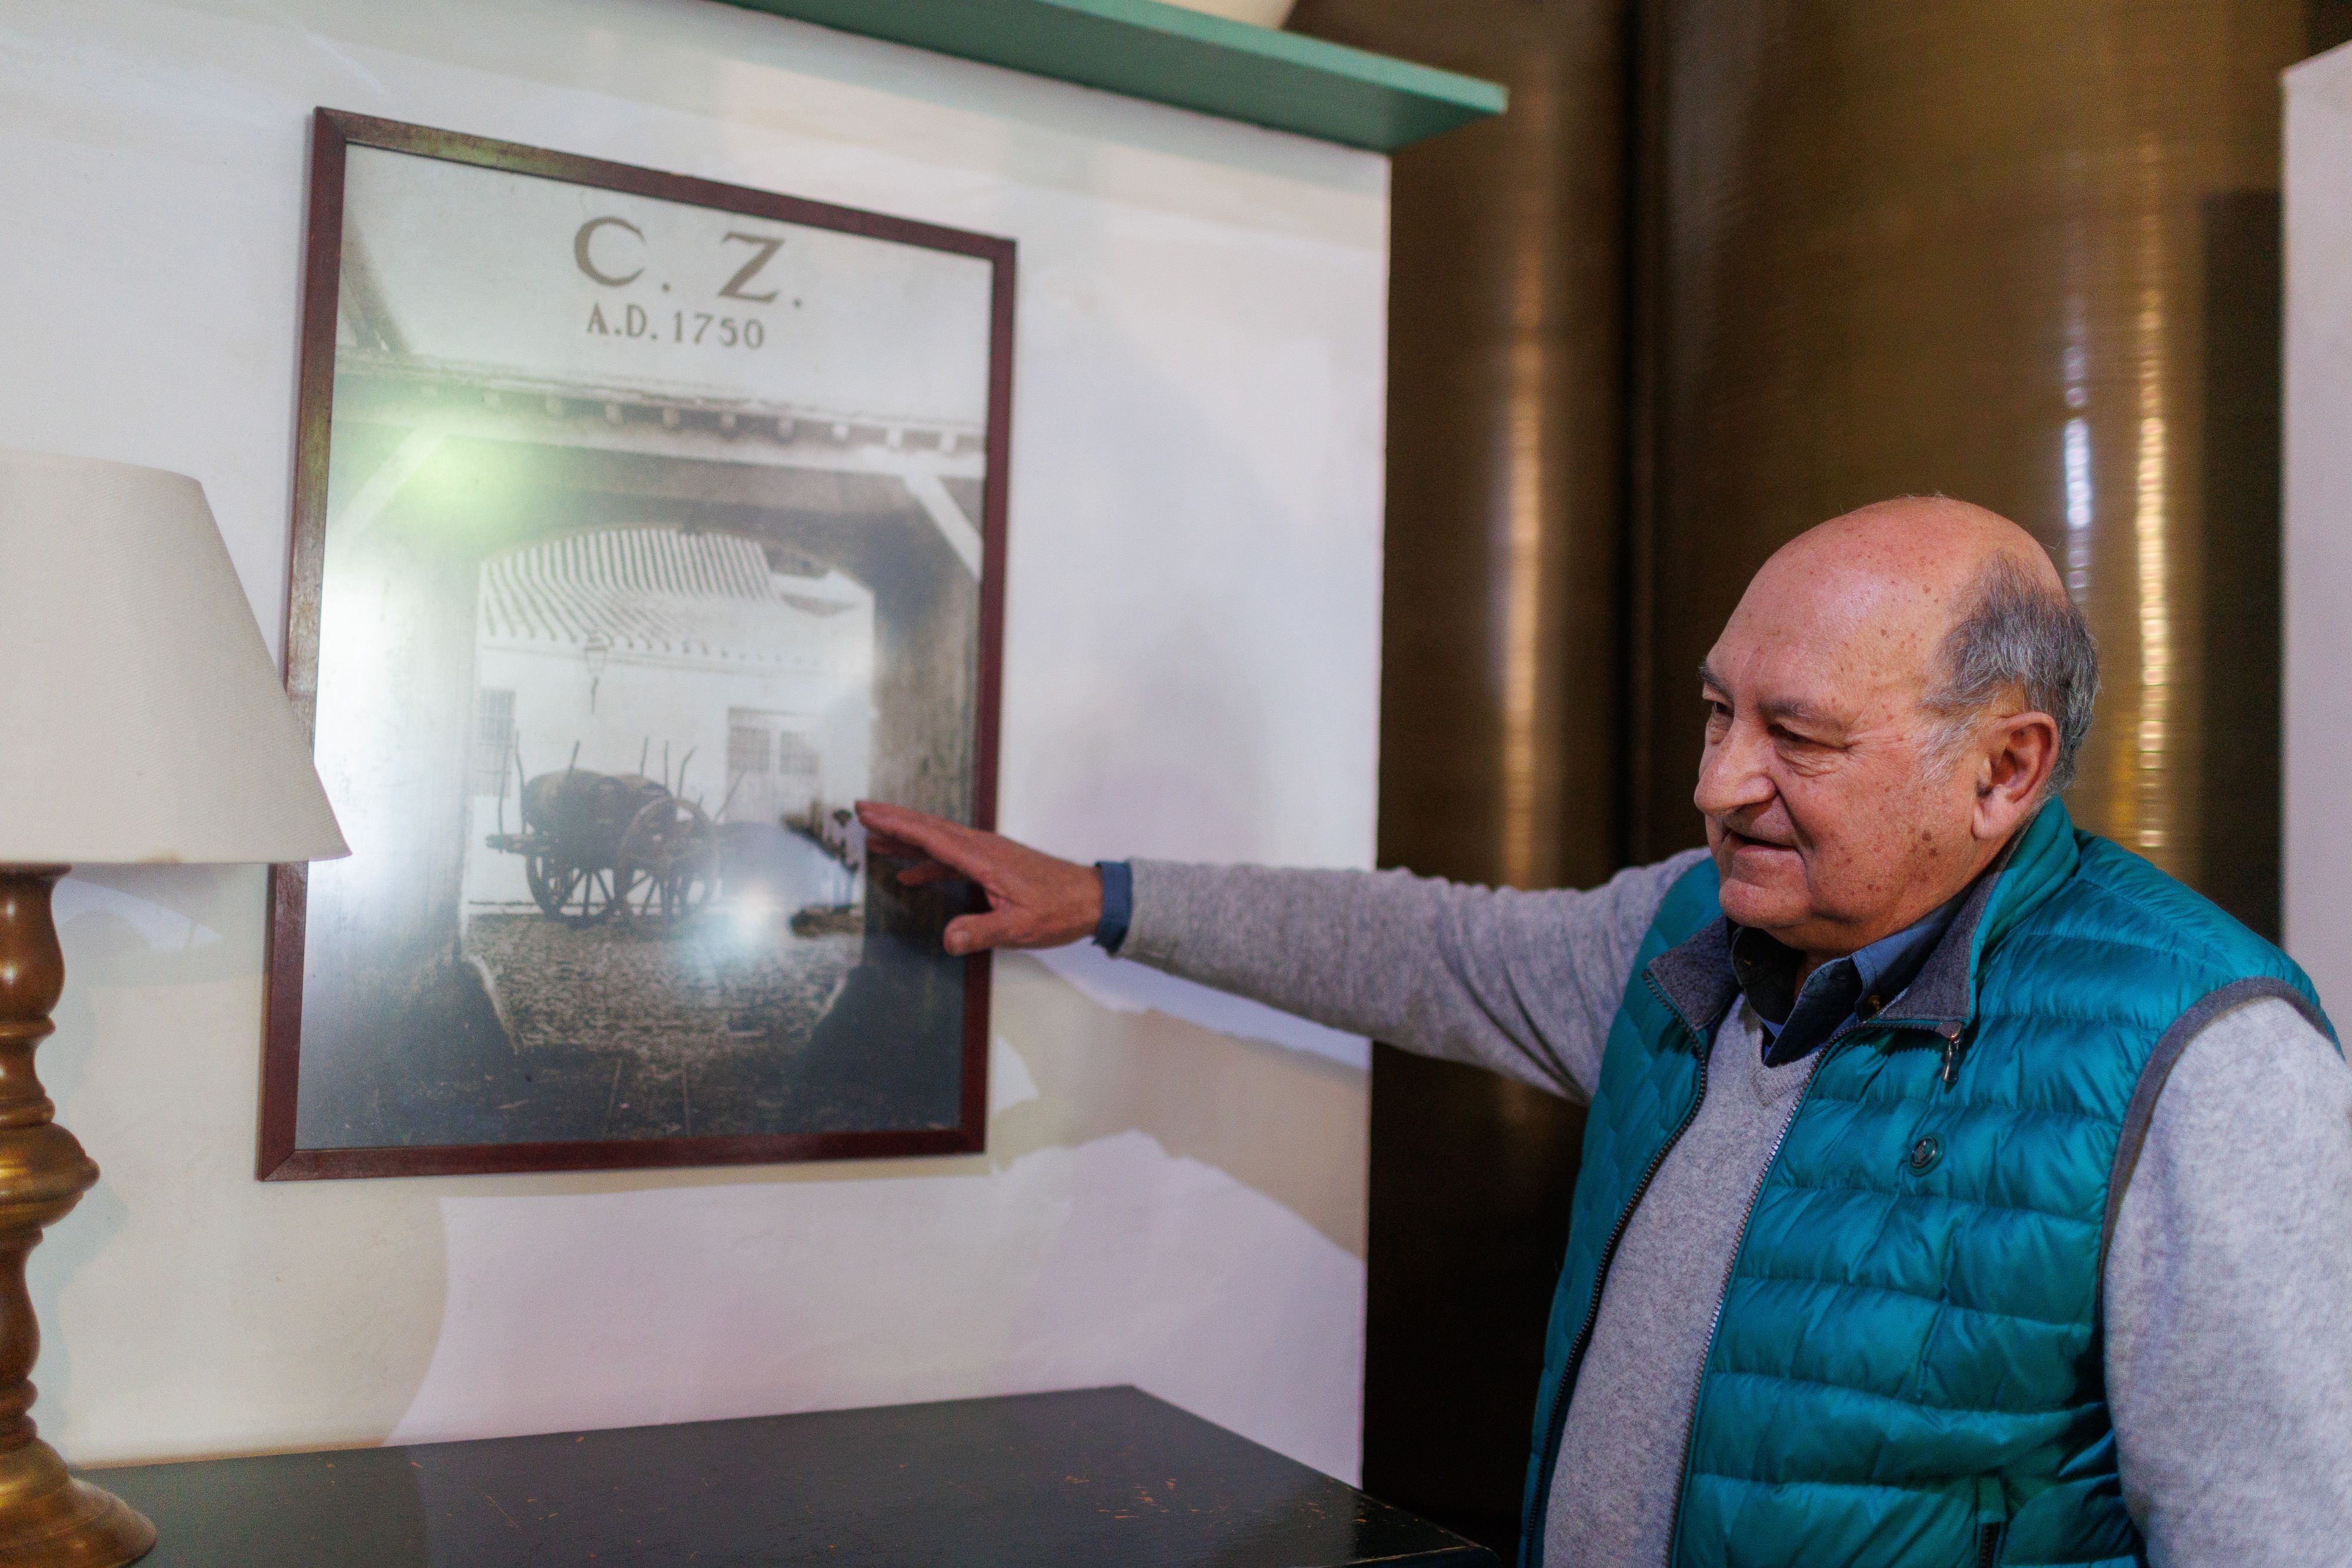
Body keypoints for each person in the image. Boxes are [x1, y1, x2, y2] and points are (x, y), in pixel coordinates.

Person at [857, 497, 2352, 1568]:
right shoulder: (1689, 929)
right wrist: (1105, 896)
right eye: (1716, 713)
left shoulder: (2204, 1056)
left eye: (1798, 737)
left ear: (2004, 768)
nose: (1718, 783)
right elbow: (1425, 944)